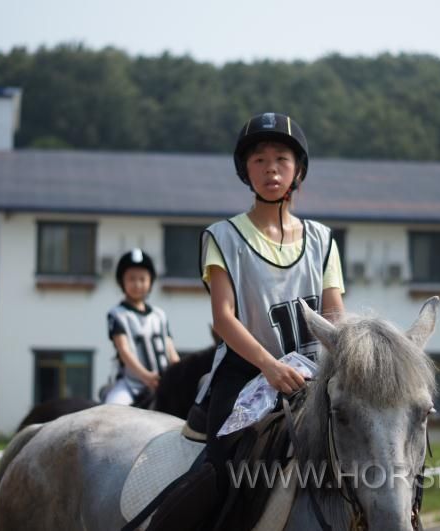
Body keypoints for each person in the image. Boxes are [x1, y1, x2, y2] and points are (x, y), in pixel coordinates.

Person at [145, 112, 345, 531]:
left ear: (298, 170)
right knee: (225, 469)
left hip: (312, 376)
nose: (271, 168)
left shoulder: (324, 240)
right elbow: (223, 319)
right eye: (259, 160)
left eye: (281, 159)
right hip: (245, 374)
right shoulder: (222, 236)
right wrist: (269, 367)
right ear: (245, 171)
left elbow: (335, 317)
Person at [104, 248, 180, 406]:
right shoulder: (117, 314)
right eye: (131, 279)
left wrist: (180, 373)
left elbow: (171, 352)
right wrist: (146, 376)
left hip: (163, 382)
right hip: (132, 385)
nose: (137, 284)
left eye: (142, 279)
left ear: (150, 281)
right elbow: (124, 351)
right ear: (122, 282)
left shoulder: (159, 315)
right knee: (113, 408)